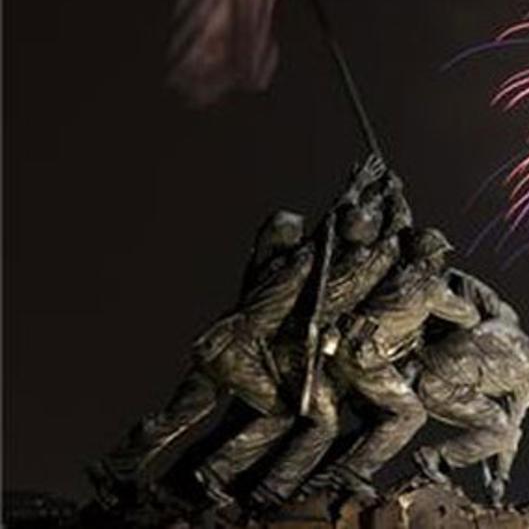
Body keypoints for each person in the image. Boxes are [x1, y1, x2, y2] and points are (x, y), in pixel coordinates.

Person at [88, 207, 313, 508]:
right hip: (238, 351)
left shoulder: (262, 263)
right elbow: (311, 256)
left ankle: (114, 466)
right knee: (281, 412)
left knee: (177, 416)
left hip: (216, 345)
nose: (301, 236)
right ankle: (215, 472)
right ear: (280, 234)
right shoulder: (292, 266)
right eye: (295, 231)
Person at [241, 165, 414, 510]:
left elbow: (333, 222)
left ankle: (234, 478)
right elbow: (401, 231)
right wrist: (396, 194)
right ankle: (267, 493)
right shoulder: (370, 263)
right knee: (322, 423)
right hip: (305, 349)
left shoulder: (325, 252)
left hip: (280, 343)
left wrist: (359, 187)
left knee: (280, 413)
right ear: (368, 233)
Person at [297, 228, 485, 503]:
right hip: (365, 357)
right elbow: (470, 317)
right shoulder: (429, 287)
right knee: (411, 414)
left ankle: (318, 477)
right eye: (438, 256)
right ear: (428, 258)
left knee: (374, 418)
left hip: (340, 345)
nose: (441, 262)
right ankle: (351, 472)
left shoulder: (395, 273)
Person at [411, 320, 529, 506]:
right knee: (503, 431)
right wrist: (501, 476)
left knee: (493, 416)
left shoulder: (505, 326)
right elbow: (511, 428)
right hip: (439, 389)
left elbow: (466, 332)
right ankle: (435, 457)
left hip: (422, 362)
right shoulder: (528, 381)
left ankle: (437, 461)